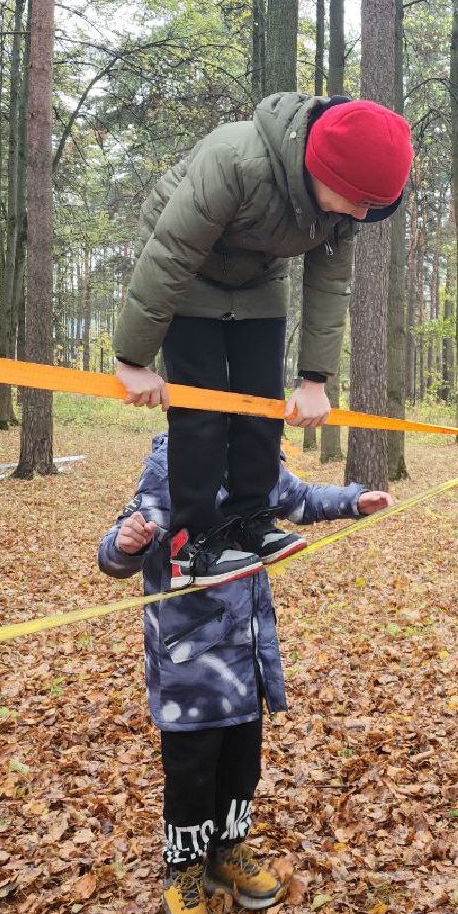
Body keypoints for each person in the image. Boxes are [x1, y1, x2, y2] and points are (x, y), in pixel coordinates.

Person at [112, 92, 412, 590]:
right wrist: (133, 358)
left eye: (371, 207)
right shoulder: (235, 159)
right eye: (359, 203)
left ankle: (250, 520)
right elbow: (170, 253)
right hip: (184, 273)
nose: (362, 216)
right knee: (203, 411)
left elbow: (330, 287)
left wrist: (314, 381)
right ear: (321, 172)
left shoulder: (342, 212)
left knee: (262, 407)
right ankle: (192, 541)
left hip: (257, 277)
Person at [98, 433, 394, 914]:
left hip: (247, 657)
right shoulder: (172, 468)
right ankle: (183, 872)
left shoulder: (254, 460)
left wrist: (354, 500)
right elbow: (115, 552)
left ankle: (226, 854)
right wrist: (126, 545)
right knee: (192, 778)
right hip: (191, 671)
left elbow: (298, 499)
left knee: (241, 768)